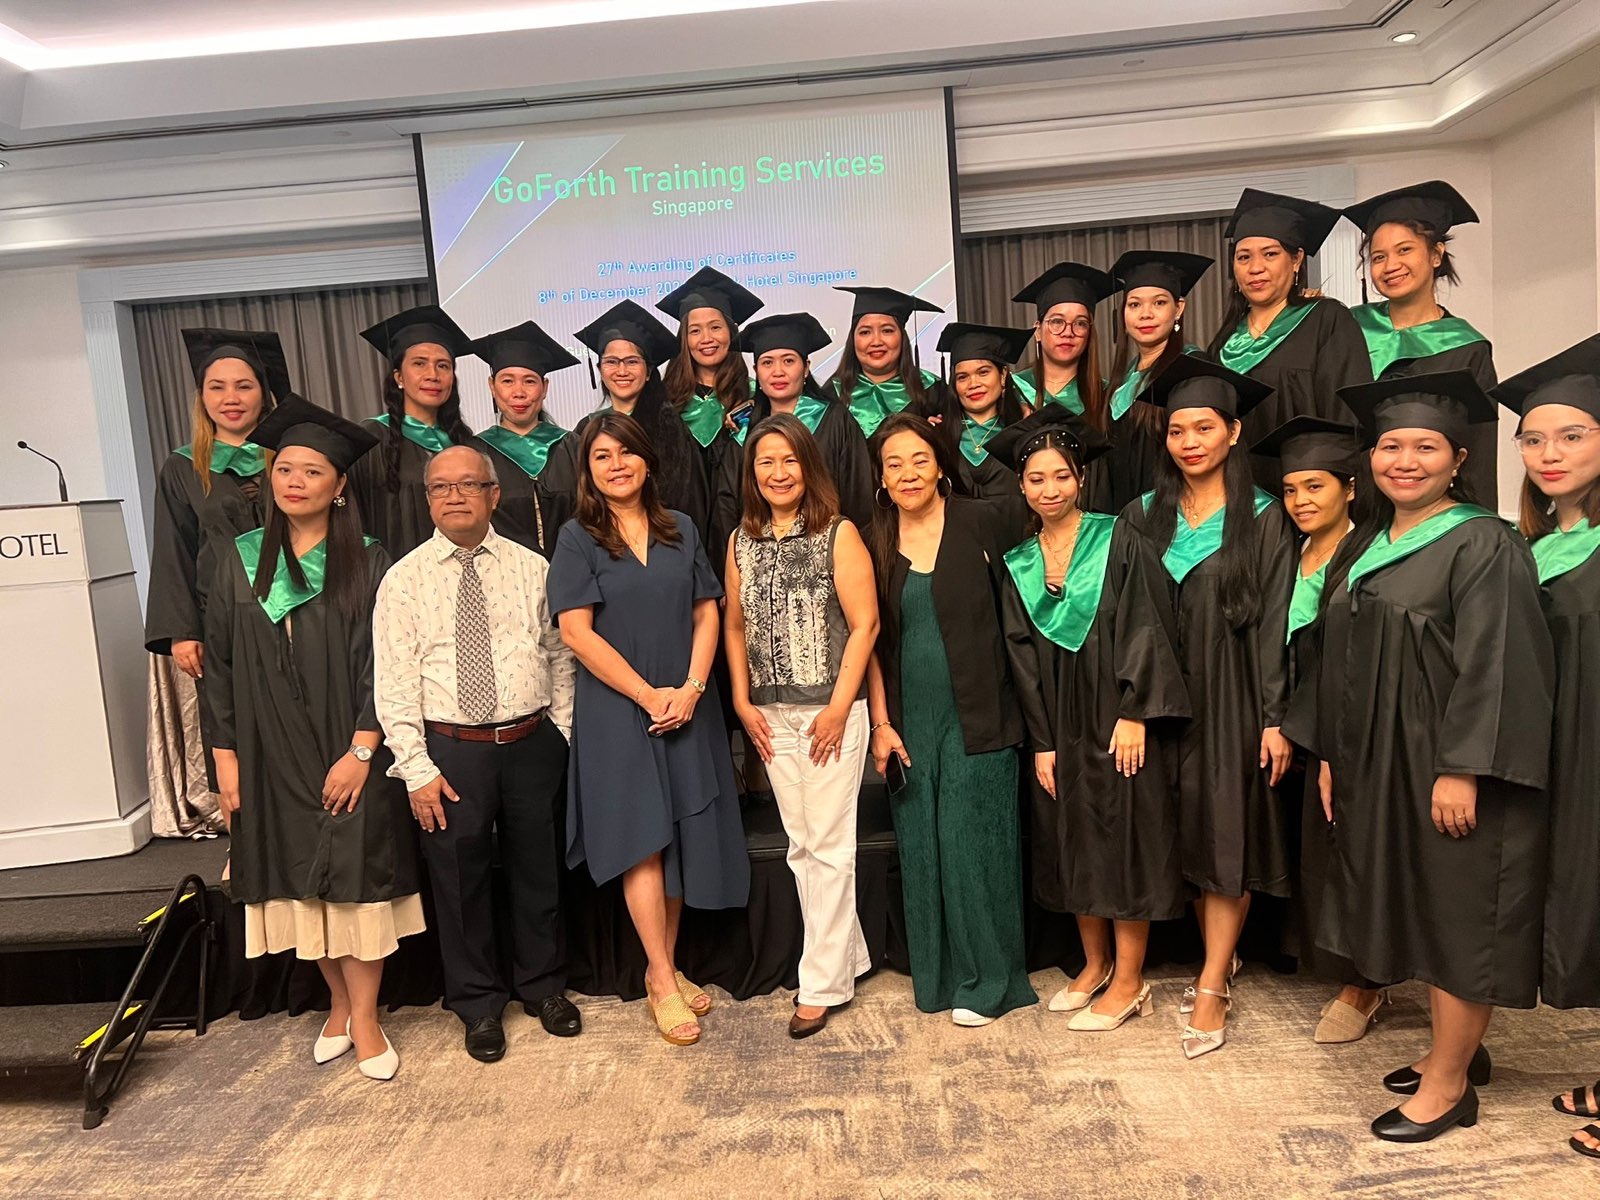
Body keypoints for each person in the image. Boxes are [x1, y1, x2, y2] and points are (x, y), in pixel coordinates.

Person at [1283, 371, 1553, 1143]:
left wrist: (1464, 766)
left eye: (1425, 446)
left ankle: (1447, 1088)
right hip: (1380, 764)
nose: (1406, 459)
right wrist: (1331, 752)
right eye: (1391, 445)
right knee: (1429, 911)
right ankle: (1456, 1052)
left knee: (1461, 916)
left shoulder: (1482, 540)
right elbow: (1336, 654)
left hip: (1445, 768)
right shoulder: (1369, 540)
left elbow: (1497, 664)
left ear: (1458, 458)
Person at [204, 395, 421, 1082]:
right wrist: (227, 761)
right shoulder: (237, 560)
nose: (294, 481)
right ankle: (334, 1001)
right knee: (297, 883)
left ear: (340, 486)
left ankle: (365, 1016)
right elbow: (219, 665)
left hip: (344, 746)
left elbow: (383, 666)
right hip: (267, 755)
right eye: (285, 470)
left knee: (354, 883)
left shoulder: (368, 559)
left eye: (312, 472)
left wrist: (363, 750)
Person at [372, 444, 581, 1062]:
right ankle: (477, 1003)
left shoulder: (532, 567)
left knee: (538, 871)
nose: (455, 496)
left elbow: (560, 653)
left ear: (495, 495)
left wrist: (561, 733)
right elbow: (394, 681)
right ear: (428, 499)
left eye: (469, 485)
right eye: (441, 487)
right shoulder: (403, 579)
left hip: (530, 742)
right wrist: (415, 768)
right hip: (450, 751)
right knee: (459, 882)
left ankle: (543, 987)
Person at [548, 412, 750, 1047]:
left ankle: (667, 962)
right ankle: (661, 980)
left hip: (686, 700)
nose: (616, 465)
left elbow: (707, 612)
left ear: (647, 461)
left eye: (626, 454)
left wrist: (690, 689)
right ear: (588, 470)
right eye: (601, 457)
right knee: (643, 840)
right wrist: (647, 694)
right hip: (618, 707)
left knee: (680, 833)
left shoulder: (681, 529)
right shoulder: (578, 536)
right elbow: (575, 632)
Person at [1122, 356, 1297, 1060]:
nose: (1189, 440)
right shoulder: (1141, 516)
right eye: (1177, 429)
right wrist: (1132, 702)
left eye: (1204, 427)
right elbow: (1127, 618)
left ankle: (1214, 979)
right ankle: (1216, 957)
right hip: (1163, 703)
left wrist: (1275, 715)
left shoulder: (1263, 519)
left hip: (1232, 698)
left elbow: (1279, 619)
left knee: (1226, 841)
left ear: (1234, 432)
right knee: (1186, 840)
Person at [992, 415, 1189, 1032]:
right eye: (1035, 478)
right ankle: (1094, 962)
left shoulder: (1119, 537)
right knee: (1070, 836)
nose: (1049, 488)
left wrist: (1136, 712)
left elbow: (1147, 624)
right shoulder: (1019, 560)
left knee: (1123, 838)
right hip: (1059, 719)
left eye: (1060, 476)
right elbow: (1020, 656)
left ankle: (1130, 980)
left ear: (1080, 478)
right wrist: (1043, 742)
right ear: (1022, 489)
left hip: (1114, 713)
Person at [864, 413, 1036, 1027]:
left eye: (919, 459)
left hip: (981, 712)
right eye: (893, 464)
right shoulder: (872, 537)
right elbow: (869, 643)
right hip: (909, 718)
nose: (908, 473)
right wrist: (881, 724)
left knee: (972, 846)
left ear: (940, 464)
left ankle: (990, 983)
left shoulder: (985, 518)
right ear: (880, 478)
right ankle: (936, 978)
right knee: (923, 848)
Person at [722, 414, 880, 1039]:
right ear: (752, 473)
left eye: (789, 461)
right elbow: (732, 626)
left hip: (828, 711)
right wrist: (741, 702)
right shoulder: (740, 539)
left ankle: (820, 984)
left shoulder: (838, 533)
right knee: (800, 845)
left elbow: (865, 625)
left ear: (808, 467)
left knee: (828, 846)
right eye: (765, 462)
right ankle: (851, 957)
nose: (778, 473)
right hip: (769, 714)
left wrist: (840, 709)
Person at [1490, 335, 1600, 1160]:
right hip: (1564, 757)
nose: (1549, 453)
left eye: (1573, 435)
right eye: (1533, 438)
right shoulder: (1527, 545)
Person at [1249, 416, 1386, 1044]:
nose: (1302, 501)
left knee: (1352, 851)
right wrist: (1275, 719)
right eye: (1292, 490)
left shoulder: (1373, 553)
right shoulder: (1287, 551)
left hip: (1347, 729)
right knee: (1315, 850)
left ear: (1350, 488)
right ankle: (1333, 963)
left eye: (1316, 487)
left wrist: (1322, 736)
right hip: (1295, 724)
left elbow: (1353, 661)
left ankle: (1365, 986)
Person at [1344, 181, 1498, 504]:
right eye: (1378, 257)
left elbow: (1479, 451)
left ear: (1436, 254)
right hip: (1353, 506)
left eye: (1405, 250)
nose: (1390, 266)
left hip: (1434, 512)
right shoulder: (1347, 330)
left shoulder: (1467, 349)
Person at [1206, 190, 1373, 472]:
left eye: (1270, 254)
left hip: (1308, 493)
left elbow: (1348, 420)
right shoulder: (1223, 344)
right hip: (1241, 498)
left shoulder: (1327, 321)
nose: (1255, 268)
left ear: (1296, 260)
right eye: (1243, 257)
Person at [543, 300, 710, 537]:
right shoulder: (587, 427)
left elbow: (688, 501)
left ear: (649, 371)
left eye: (632, 362)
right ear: (600, 368)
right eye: (612, 362)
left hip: (662, 541)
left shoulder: (670, 426)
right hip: (604, 543)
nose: (622, 371)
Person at [714, 312, 875, 538]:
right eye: (767, 362)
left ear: (806, 367)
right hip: (760, 551)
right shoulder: (743, 429)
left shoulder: (835, 420)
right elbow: (727, 506)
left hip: (828, 549)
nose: (778, 371)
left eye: (788, 361)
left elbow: (858, 496)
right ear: (756, 371)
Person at [348, 304, 476, 560]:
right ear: (399, 377)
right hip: (395, 578)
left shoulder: (464, 444)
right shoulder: (371, 439)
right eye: (419, 364)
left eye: (443, 366)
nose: (433, 375)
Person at [1103, 251, 1212, 513]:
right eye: (1135, 305)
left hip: (1175, 517)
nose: (1145, 314)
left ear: (1179, 308)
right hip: (1126, 520)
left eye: (1159, 303)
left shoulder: (1193, 370)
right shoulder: (1121, 381)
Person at [466, 320, 577, 559]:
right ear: (492, 387)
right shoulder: (475, 455)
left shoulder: (573, 448)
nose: (519, 392)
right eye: (507, 381)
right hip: (504, 582)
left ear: (544, 387)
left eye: (529, 381)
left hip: (572, 576)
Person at [829, 286, 954, 439]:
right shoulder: (832, 395)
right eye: (865, 332)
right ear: (853, 340)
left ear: (902, 337)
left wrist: (930, 437)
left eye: (887, 330)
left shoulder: (933, 391)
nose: (876, 341)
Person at [935, 321, 1033, 501]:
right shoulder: (939, 437)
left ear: (1003, 375)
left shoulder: (1025, 432)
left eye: (983, 372)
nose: (973, 384)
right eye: (962, 377)